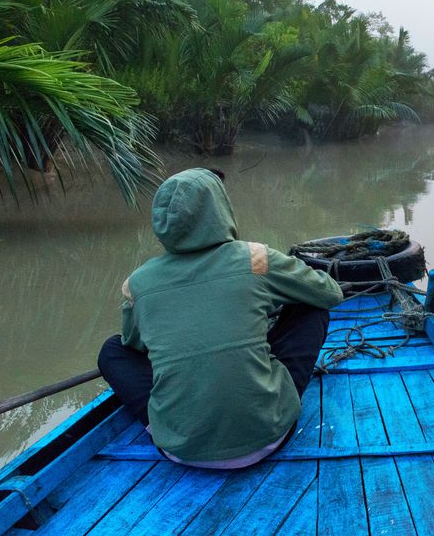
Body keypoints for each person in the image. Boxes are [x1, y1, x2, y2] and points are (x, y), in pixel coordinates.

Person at [97, 168, 343, 468]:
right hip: (269, 434)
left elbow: (134, 346)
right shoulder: (255, 258)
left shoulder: (138, 283)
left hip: (179, 448)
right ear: (219, 208)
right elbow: (329, 294)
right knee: (312, 306)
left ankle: (169, 422)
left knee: (112, 350)